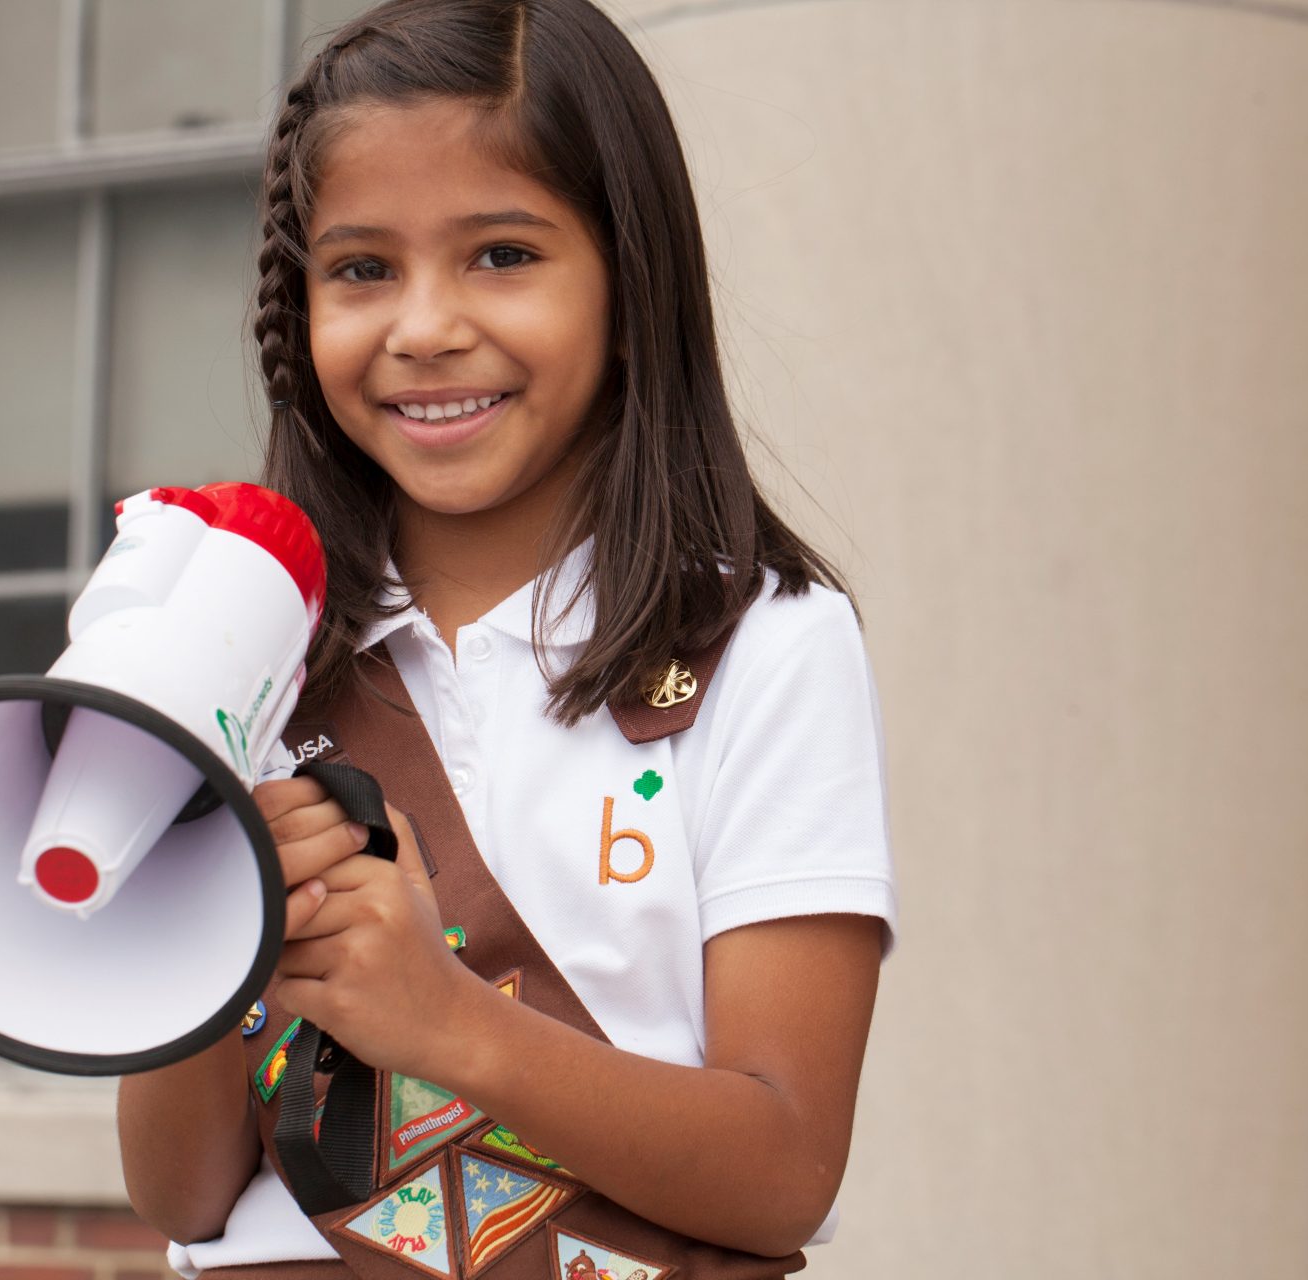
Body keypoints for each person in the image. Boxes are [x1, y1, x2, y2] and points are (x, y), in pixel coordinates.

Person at [117, 1, 896, 1275]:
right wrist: (209, 914)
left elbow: (785, 1172)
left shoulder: (764, 642)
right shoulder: (246, 649)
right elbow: (180, 1190)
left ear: (632, 288)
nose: (424, 326)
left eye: (502, 255)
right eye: (362, 269)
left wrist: (448, 1022)